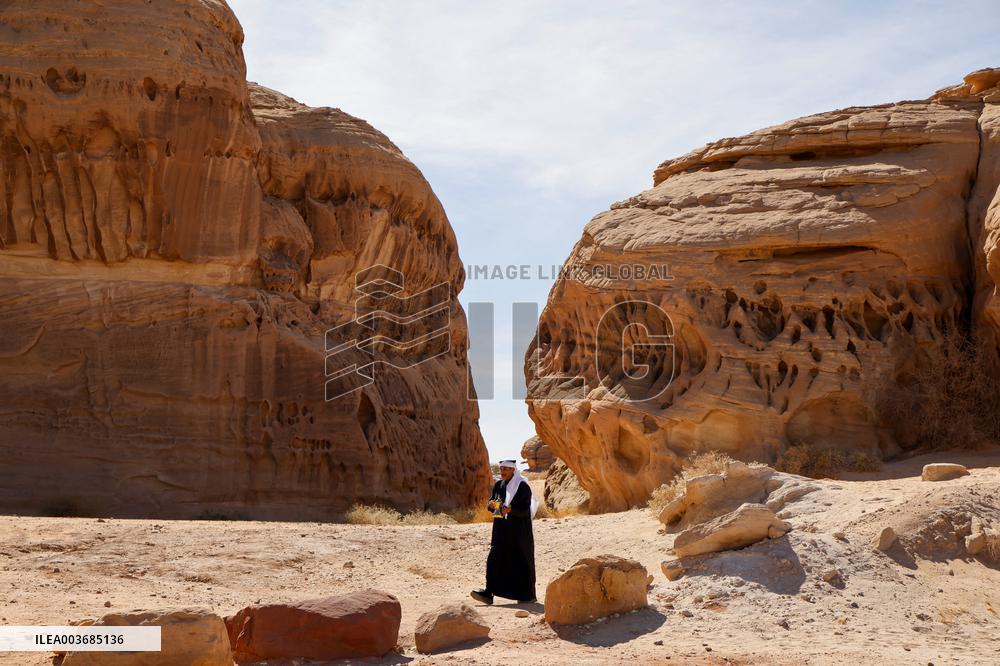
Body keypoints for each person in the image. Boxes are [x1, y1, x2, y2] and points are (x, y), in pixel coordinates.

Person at [470, 459, 539, 605]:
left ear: (514, 470)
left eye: (506, 469)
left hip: (519, 531)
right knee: (494, 558)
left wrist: (511, 510)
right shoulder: (499, 485)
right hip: (501, 529)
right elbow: (492, 504)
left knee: (520, 561)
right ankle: (489, 593)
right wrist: (492, 505)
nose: (503, 471)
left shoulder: (522, 486)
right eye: (501, 468)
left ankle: (527, 595)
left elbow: (525, 510)